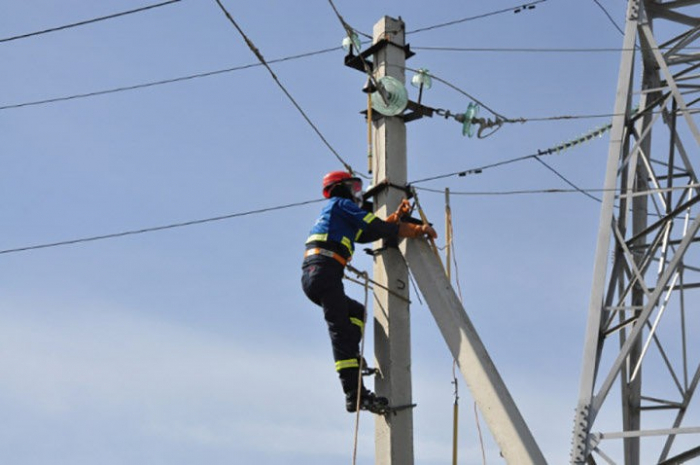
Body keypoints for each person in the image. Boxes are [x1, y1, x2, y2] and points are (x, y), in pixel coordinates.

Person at [301, 170, 437, 414]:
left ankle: (352, 357)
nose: (358, 193)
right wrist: (416, 229)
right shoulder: (341, 204)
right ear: (341, 187)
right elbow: (377, 228)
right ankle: (355, 395)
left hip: (318, 273)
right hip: (323, 270)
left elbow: (373, 231)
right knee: (340, 331)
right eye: (354, 187)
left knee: (354, 312)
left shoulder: (340, 215)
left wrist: (396, 218)